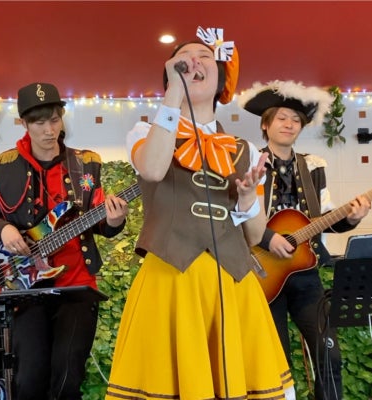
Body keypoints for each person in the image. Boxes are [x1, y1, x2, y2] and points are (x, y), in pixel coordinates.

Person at [105, 30, 295, 400]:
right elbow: (153, 169)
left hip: (232, 282)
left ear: (221, 79)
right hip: (170, 280)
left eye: (205, 56)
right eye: (184, 57)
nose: (194, 61)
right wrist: (173, 94)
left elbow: (256, 234)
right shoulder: (145, 132)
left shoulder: (245, 150)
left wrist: (245, 198)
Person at [0, 82, 129, 400]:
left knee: (67, 379)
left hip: (77, 284)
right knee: (29, 381)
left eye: (54, 120)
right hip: (26, 286)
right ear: (24, 123)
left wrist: (114, 220)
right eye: (39, 122)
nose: (49, 130)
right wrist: (5, 230)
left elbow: (100, 223)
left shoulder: (86, 164)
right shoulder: (5, 166)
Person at [238, 80, 371, 400]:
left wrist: (352, 218)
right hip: (262, 272)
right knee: (275, 362)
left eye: (296, 120)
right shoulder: (250, 163)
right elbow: (238, 214)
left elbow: (323, 218)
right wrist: (268, 238)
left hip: (306, 272)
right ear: (266, 124)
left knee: (329, 354)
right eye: (282, 118)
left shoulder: (313, 166)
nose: (289, 124)